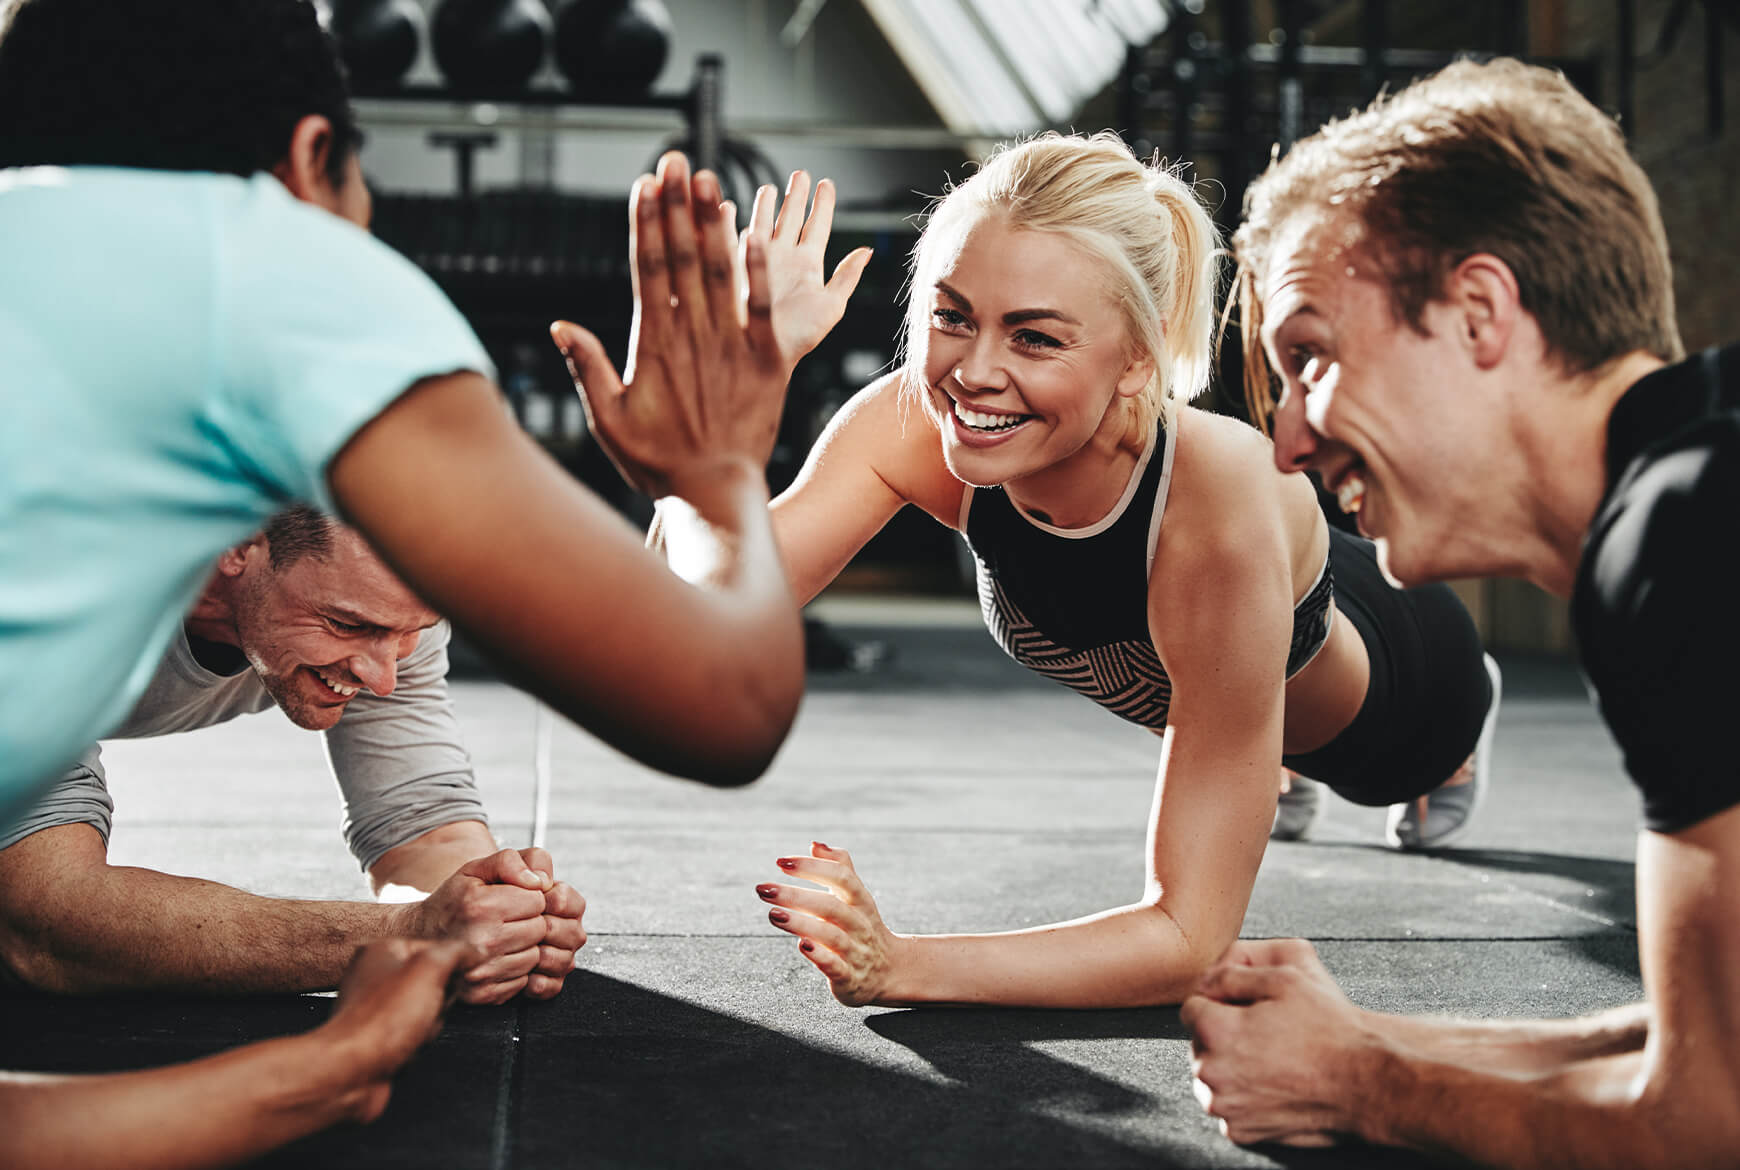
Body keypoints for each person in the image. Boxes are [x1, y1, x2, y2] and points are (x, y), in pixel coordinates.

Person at [0, 0, 858, 1163]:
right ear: (313, 162)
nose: (383, 660)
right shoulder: (277, 269)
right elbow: (729, 704)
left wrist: (485, 915)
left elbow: (422, 832)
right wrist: (712, 472)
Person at [622, 131, 1497, 1010]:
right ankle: (1252, 747)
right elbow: (678, 631)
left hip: (1401, 696)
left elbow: (1189, 942)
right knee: (1225, 705)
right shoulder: (912, 424)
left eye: (1034, 338)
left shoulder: (1213, 504)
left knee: (1356, 751)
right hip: (1236, 638)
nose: (973, 373)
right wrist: (721, 414)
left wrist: (905, 964)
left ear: (1140, 357)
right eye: (952, 315)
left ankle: (1395, 758)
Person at [1180, 58, 1740, 1166]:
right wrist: (1374, 1040)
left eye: (1311, 357)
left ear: (1481, 312)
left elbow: (1704, 1123)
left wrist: (1358, 1084)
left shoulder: (1679, 538)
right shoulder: (1701, 475)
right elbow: (1719, 1044)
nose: (1287, 441)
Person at [0, 506, 584, 1006]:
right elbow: (45, 922)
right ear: (235, 544)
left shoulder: (387, 598)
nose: (384, 678)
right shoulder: (42, 591)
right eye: (347, 624)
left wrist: (498, 919)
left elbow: (425, 832)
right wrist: (404, 938)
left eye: (409, 633)